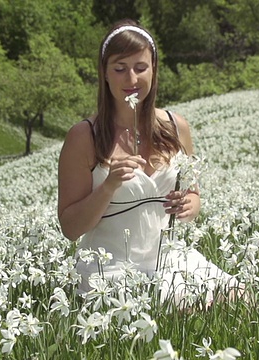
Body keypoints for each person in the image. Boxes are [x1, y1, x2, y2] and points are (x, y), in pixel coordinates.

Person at [57, 20, 240, 308]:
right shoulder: (85, 136)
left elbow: (193, 195)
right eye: (120, 68)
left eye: (140, 67)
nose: (131, 79)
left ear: (154, 69)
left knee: (241, 298)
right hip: (112, 269)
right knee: (188, 306)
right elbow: (70, 228)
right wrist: (108, 187)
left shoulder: (176, 126)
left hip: (171, 259)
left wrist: (190, 206)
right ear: (104, 73)